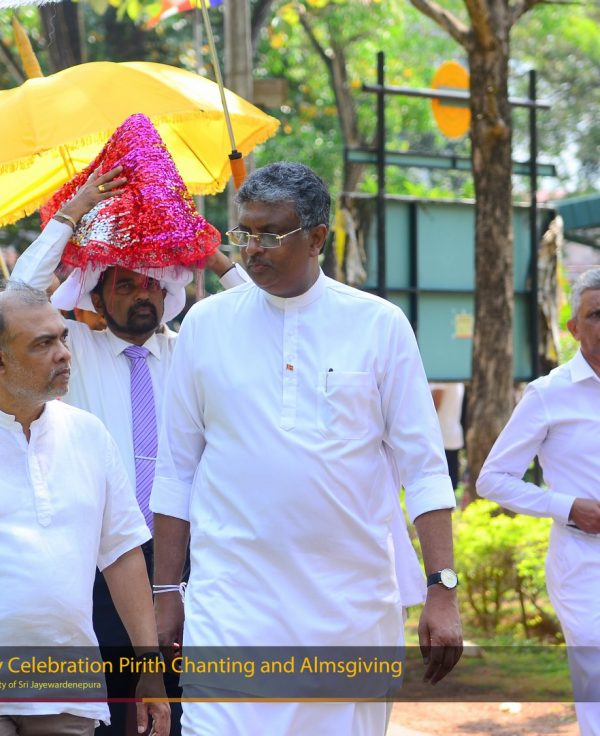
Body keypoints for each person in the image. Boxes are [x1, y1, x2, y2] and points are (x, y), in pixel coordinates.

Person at [151, 162, 463, 736]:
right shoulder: (206, 325)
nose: (252, 250)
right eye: (245, 233)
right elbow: (176, 470)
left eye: (271, 234)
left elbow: (423, 469)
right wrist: (166, 590)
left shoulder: (378, 325)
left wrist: (441, 588)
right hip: (231, 609)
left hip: (349, 612)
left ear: (317, 237)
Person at [11, 158, 243, 734]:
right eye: (127, 283)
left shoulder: (194, 352)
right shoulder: (70, 352)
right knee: (110, 717)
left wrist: (210, 253)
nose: (144, 295)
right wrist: (74, 211)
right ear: (97, 294)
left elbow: (255, 312)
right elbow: (20, 294)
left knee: (181, 713)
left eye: (154, 284)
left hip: (182, 564)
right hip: (99, 563)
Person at [0, 282, 170, 736]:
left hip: (67, 690)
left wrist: (149, 665)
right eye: (43, 344)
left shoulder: (88, 434)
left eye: (63, 337)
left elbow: (122, 554)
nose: (64, 353)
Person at [477, 267, 600, 736]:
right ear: (573, 327)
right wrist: (567, 507)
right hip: (583, 565)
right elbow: (492, 479)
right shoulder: (549, 394)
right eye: (596, 314)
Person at [429, 382, 465, 489]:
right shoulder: (455, 378)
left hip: (441, 439)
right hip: (449, 437)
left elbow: (433, 406)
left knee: (439, 487)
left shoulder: (441, 380)